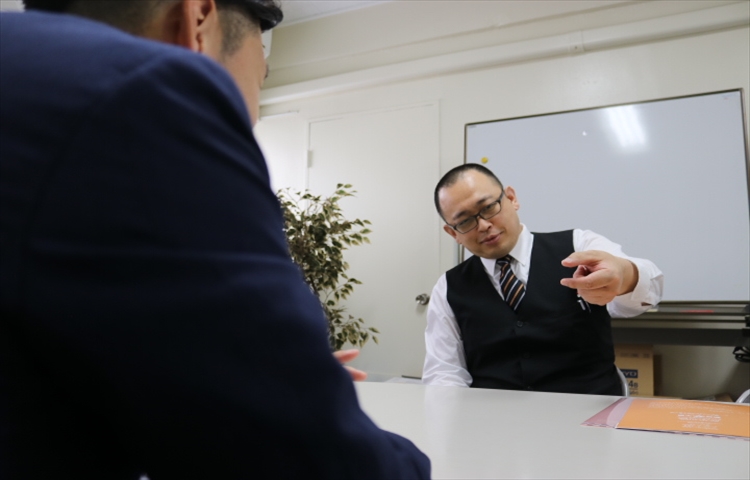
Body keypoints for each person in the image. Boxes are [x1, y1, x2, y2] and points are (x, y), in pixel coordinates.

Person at [0, 1, 430, 478]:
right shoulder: (150, 96)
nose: (253, 119)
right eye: (260, 80)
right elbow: (308, 462)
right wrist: (280, 390)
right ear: (198, 20)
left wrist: (244, 365)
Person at [422, 163, 663, 395]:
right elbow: (444, 373)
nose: (483, 225)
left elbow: (649, 291)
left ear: (511, 198)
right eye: (465, 221)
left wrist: (624, 274)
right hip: (495, 418)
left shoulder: (578, 246)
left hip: (590, 413)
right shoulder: (448, 287)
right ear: (453, 233)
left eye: (488, 207)